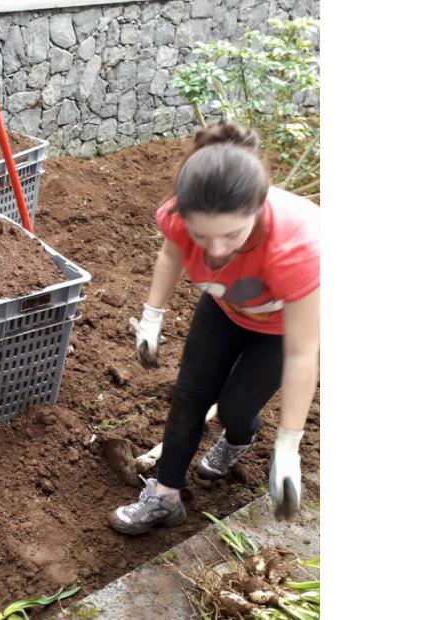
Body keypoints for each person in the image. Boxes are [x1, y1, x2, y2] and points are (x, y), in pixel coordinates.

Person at [109, 122, 319, 535]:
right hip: (225, 308)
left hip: (279, 330)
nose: (218, 251)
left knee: (237, 408)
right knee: (189, 396)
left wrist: (289, 446)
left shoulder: (297, 248)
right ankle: (165, 496)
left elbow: (301, 354)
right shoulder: (180, 215)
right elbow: (171, 257)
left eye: (231, 235)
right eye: (204, 236)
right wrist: (153, 315)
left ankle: (241, 438)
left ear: (258, 208)